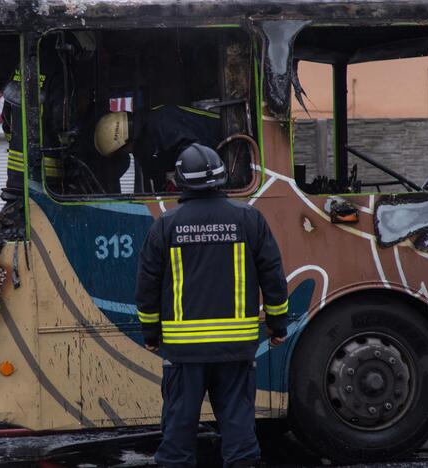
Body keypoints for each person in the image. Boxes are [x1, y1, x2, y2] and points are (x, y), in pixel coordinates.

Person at [135, 144, 289, 468]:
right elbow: (272, 275)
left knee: (178, 435)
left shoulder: (166, 225)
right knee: (239, 433)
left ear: (179, 182)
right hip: (235, 350)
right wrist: (278, 325)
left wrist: (151, 333)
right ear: (222, 177)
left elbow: (147, 285)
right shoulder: (248, 219)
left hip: (183, 352)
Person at [94, 105, 221, 192]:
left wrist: (177, 175)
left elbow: (196, 156)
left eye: (120, 153)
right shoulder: (145, 147)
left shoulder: (161, 123)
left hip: (227, 154)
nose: (123, 155)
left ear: (125, 143)